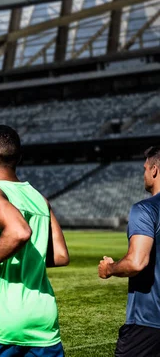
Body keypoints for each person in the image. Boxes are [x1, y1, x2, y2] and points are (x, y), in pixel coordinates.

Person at [0, 125, 69, 357]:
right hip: (42, 323)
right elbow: (60, 256)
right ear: (18, 158)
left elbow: (20, 231)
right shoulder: (40, 200)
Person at [98, 146, 160, 357]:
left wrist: (109, 268)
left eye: (145, 168)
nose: (143, 174)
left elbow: (136, 262)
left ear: (154, 170)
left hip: (149, 322)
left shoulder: (146, 209)